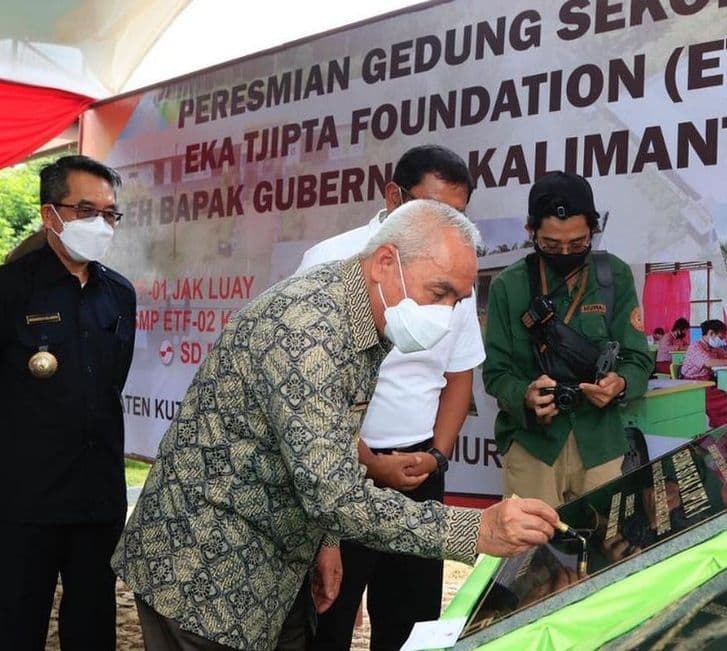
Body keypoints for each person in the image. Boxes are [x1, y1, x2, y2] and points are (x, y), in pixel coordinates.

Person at [113, 200, 558, 651]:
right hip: (204, 570)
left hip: (271, 562)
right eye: (438, 292)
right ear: (386, 262)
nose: (444, 315)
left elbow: (326, 443)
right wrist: (476, 531)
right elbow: (335, 494)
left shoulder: (360, 312)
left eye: (457, 301)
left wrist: (326, 543)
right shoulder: (308, 330)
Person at [295, 145, 483, 651]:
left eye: (456, 216)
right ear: (393, 196)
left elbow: (459, 376)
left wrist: (436, 456)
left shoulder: (455, 267)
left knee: (410, 623)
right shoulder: (333, 260)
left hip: (419, 466)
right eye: (430, 210)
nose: (445, 227)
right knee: (328, 616)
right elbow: (310, 395)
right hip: (338, 467)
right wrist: (370, 464)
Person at [0, 155, 135, 650]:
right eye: (85, 210)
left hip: (96, 499)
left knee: (93, 627)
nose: (101, 224)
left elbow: (110, 385)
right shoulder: (10, 290)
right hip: (23, 500)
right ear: (49, 214)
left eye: (110, 213)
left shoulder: (119, 294)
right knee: (16, 624)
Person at [483, 171, 654, 507]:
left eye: (577, 244)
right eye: (550, 244)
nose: (564, 252)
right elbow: (496, 374)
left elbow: (639, 359)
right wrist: (526, 395)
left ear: (592, 230)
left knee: (608, 550)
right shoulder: (508, 286)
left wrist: (619, 384)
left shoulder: (614, 276)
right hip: (534, 446)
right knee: (530, 551)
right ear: (531, 232)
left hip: (601, 443)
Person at [681, 319, 727, 427]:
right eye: (721, 338)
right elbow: (708, 362)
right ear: (711, 333)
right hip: (693, 384)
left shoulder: (713, 348)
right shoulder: (696, 346)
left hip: (707, 382)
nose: (722, 341)